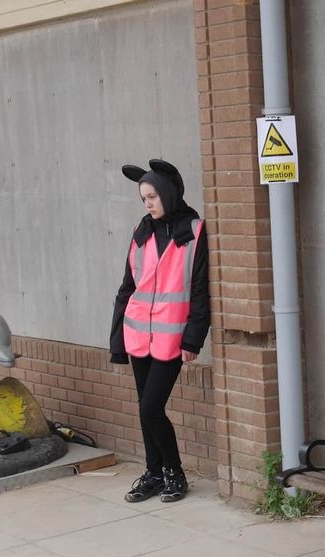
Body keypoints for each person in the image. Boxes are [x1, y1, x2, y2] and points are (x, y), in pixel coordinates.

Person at [109, 159, 210, 504]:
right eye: (143, 199)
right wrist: (117, 339)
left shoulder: (195, 232)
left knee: (151, 407)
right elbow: (127, 288)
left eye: (152, 196)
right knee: (144, 407)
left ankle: (174, 472)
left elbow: (200, 290)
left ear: (168, 193)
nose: (148, 204)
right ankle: (153, 473)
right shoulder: (142, 232)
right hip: (137, 333)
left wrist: (194, 337)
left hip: (171, 337)